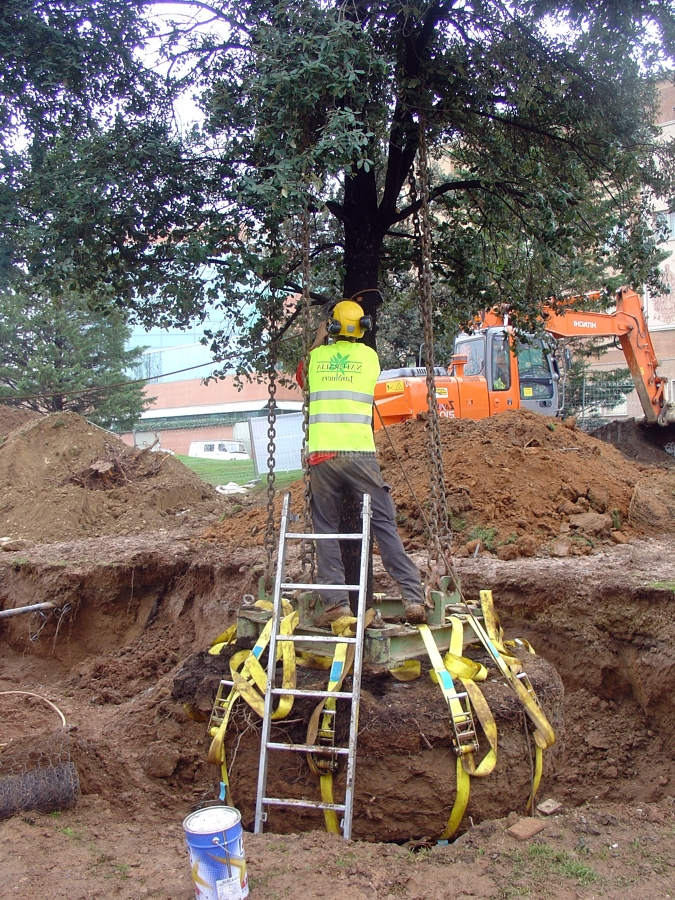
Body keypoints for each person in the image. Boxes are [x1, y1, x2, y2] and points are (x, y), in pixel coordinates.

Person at [296, 298, 427, 626]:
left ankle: (337, 604)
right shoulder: (369, 358)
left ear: (333, 326)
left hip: (322, 456)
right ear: (362, 328)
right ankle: (412, 597)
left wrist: (318, 337)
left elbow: (302, 377)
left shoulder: (315, 359)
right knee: (383, 523)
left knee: (326, 529)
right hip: (360, 456)